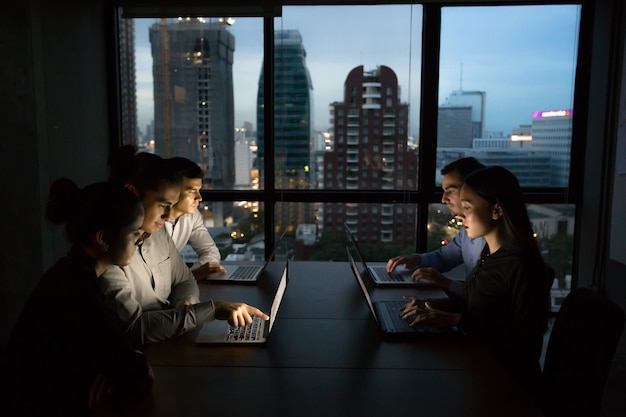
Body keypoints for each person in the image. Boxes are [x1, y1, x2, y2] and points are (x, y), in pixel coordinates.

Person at [401, 166, 552, 401]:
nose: (459, 215)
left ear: (496, 211)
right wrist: (432, 306)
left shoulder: (520, 265)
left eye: (468, 208)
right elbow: (480, 306)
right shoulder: (489, 255)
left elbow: (526, 344)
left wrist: (456, 320)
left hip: (507, 386)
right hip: (480, 365)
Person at [4, 179, 154, 417]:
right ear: (103, 238)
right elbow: (135, 372)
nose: (139, 240)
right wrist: (129, 364)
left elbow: (116, 357)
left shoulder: (71, 273)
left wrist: (117, 367)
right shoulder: (75, 287)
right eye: (135, 232)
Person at [102, 146, 268, 348]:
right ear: (132, 194)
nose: (168, 216)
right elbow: (135, 329)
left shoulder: (158, 233)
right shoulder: (109, 253)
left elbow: (185, 280)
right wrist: (210, 310)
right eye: (163, 205)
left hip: (167, 344)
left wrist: (185, 307)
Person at [386, 157, 486, 296]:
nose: (443, 199)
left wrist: (446, 283)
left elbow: (488, 301)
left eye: (450, 190)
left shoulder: (498, 242)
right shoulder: (466, 232)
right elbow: (444, 258)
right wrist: (415, 259)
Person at [166, 156, 226, 280]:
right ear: (172, 190)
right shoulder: (151, 222)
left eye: (199, 190)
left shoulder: (192, 215)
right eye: (192, 191)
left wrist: (196, 273)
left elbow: (210, 251)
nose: (199, 198)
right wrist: (194, 275)